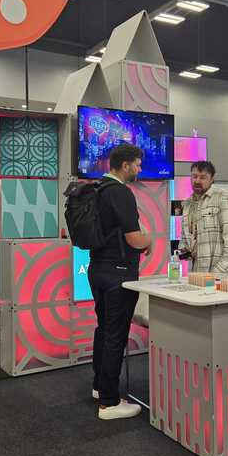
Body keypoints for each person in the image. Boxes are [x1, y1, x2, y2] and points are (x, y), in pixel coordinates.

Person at [88, 143, 151, 421]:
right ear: (125, 165)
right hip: (119, 273)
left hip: (98, 269)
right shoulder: (120, 193)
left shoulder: (97, 189)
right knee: (116, 334)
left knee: (104, 329)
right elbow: (134, 238)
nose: (139, 169)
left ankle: (100, 387)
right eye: (137, 164)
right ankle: (110, 403)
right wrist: (150, 239)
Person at [179, 161, 228, 273]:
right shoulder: (187, 204)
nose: (197, 181)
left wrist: (220, 270)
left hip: (220, 275)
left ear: (212, 179)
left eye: (203, 177)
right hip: (197, 273)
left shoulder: (222, 197)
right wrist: (183, 250)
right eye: (194, 176)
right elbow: (186, 237)